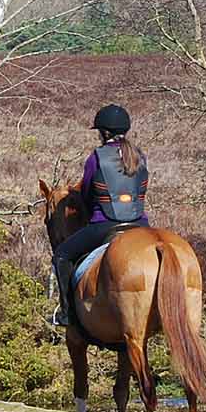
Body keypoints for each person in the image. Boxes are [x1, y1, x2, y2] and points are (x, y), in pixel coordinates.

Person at [50, 104, 150, 328]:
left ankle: (68, 315)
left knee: (62, 255)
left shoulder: (96, 157)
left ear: (104, 133)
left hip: (105, 224)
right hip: (140, 225)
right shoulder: (140, 156)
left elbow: (86, 193)